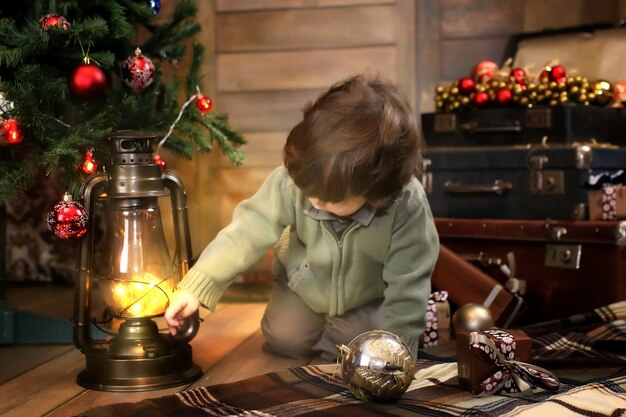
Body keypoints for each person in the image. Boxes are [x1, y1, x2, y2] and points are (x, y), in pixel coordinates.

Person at [164, 74, 440, 361]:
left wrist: (401, 349)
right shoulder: (293, 181)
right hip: (303, 286)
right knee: (285, 339)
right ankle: (327, 332)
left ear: (375, 190)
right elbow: (245, 233)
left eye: (331, 197)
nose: (314, 200)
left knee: (364, 348)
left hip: (367, 297)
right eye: (308, 189)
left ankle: (342, 334)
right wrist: (196, 287)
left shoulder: (405, 204)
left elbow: (409, 281)